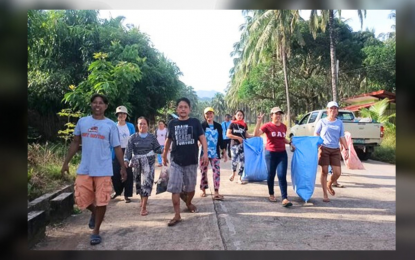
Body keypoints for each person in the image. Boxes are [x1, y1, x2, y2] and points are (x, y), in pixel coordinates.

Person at [61, 93, 127, 246]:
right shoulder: (83, 122)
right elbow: (75, 142)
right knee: (80, 198)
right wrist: (66, 162)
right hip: (85, 168)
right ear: (91, 104)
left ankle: (96, 231)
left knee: (102, 200)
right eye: (95, 102)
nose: (97, 105)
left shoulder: (110, 125)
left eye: (101, 103)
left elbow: (117, 147)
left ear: (106, 106)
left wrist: (122, 167)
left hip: (103, 169)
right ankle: (95, 212)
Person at [162, 97, 208, 227]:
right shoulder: (172, 123)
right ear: (177, 109)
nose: (183, 109)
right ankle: (177, 215)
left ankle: (188, 203)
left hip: (191, 161)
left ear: (189, 109)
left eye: (185, 107)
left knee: (190, 188)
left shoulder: (195, 122)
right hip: (176, 161)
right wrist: (164, 155)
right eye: (180, 107)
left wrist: (205, 154)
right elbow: (168, 140)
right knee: (175, 189)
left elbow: (203, 139)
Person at [254, 107, 294, 207]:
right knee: (271, 174)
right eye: (276, 114)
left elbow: (282, 138)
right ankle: (271, 194)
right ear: (271, 115)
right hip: (270, 154)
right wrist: (259, 121)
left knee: (281, 175)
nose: (278, 116)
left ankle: (285, 198)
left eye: (280, 114)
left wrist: (290, 142)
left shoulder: (283, 127)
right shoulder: (267, 126)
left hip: (282, 154)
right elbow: (256, 134)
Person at [124, 116, 163, 216]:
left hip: (149, 163)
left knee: (146, 183)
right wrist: (126, 161)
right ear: (137, 125)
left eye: (144, 123)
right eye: (140, 123)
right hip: (137, 164)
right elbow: (128, 151)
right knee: (139, 184)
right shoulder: (132, 138)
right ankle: (142, 201)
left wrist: (167, 150)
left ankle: (144, 207)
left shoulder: (152, 137)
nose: (142, 125)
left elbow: (158, 149)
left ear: (147, 125)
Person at [314, 101, 349, 202]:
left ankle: (329, 183)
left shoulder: (339, 123)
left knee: (337, 172)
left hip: (335, 149)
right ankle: (325, 194)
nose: (333, 110)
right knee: (324, 171)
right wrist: (319, 144)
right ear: (327, 110)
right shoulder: (322, 121)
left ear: (337, 111)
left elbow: (341, 136)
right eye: (331, 108)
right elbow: (316, 133)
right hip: (324, 148)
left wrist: (346, 148)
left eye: (335, 108)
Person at [200, 107, 228, 200]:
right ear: (204, 115)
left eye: (211, 113)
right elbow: (198, 139)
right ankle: (203, 190)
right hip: (204, 154)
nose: (209, 115)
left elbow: (221, 140)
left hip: (215, 153)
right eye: (207, 114)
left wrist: (224, 152)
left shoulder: (218, 126)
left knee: (216, 172)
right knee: (203, 172)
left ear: (213, 114)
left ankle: (216, 192)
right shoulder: (202, 126)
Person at [110, 106, 135, 203]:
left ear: (126, 116)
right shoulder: (113, 126)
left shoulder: (130, 126)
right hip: (116, 151)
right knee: (115, 173)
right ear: (117, 116)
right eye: (120, 114)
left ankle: (127, 195)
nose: (122, 116)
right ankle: (117, 191)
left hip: (127, 151)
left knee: (128, 173)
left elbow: (133, 139)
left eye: (124, 114)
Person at [226, 109, 254, 184]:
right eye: (238, 115)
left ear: (243, 116)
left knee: (242, 162)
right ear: (235, 116)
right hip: (234, 145)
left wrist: (254, 136)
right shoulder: (232, 124)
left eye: (241, 115)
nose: (239, 116)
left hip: (242, 146)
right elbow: (228, 134)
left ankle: (239, 177)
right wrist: (238, 138)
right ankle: (233, 173)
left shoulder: (244, 125)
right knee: (234, 161)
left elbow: (246, 135)